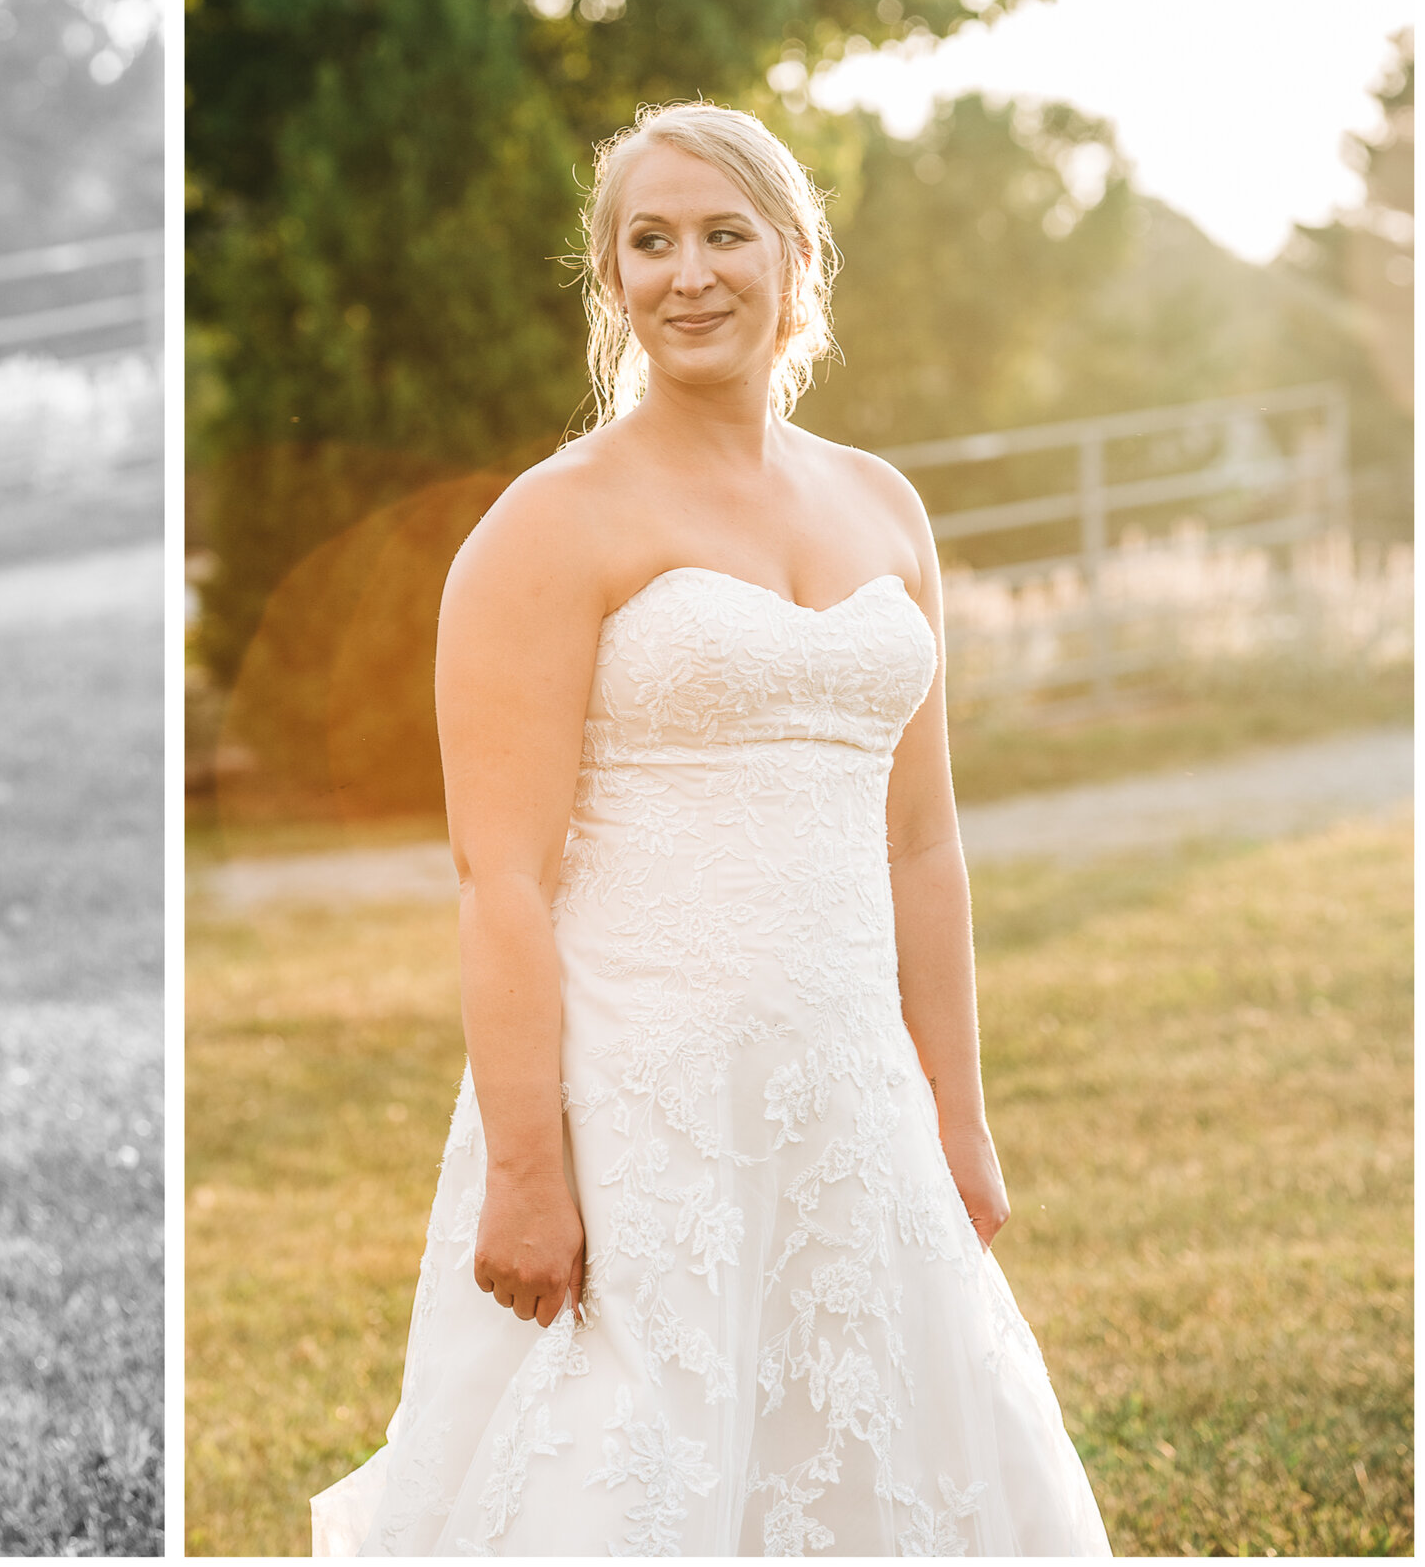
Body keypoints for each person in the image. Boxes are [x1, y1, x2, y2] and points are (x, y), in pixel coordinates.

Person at [310, 103, 1107, 1555]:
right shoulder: (550, 524)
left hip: (852, 1097)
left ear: (797, 261)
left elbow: (922, 846)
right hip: (644, 1108)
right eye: (649, 241)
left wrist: (960, 1115)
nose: (690, 273)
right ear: (610, 278)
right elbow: (500, 877)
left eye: (725, 234)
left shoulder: (884, 505)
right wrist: (528, 1168)